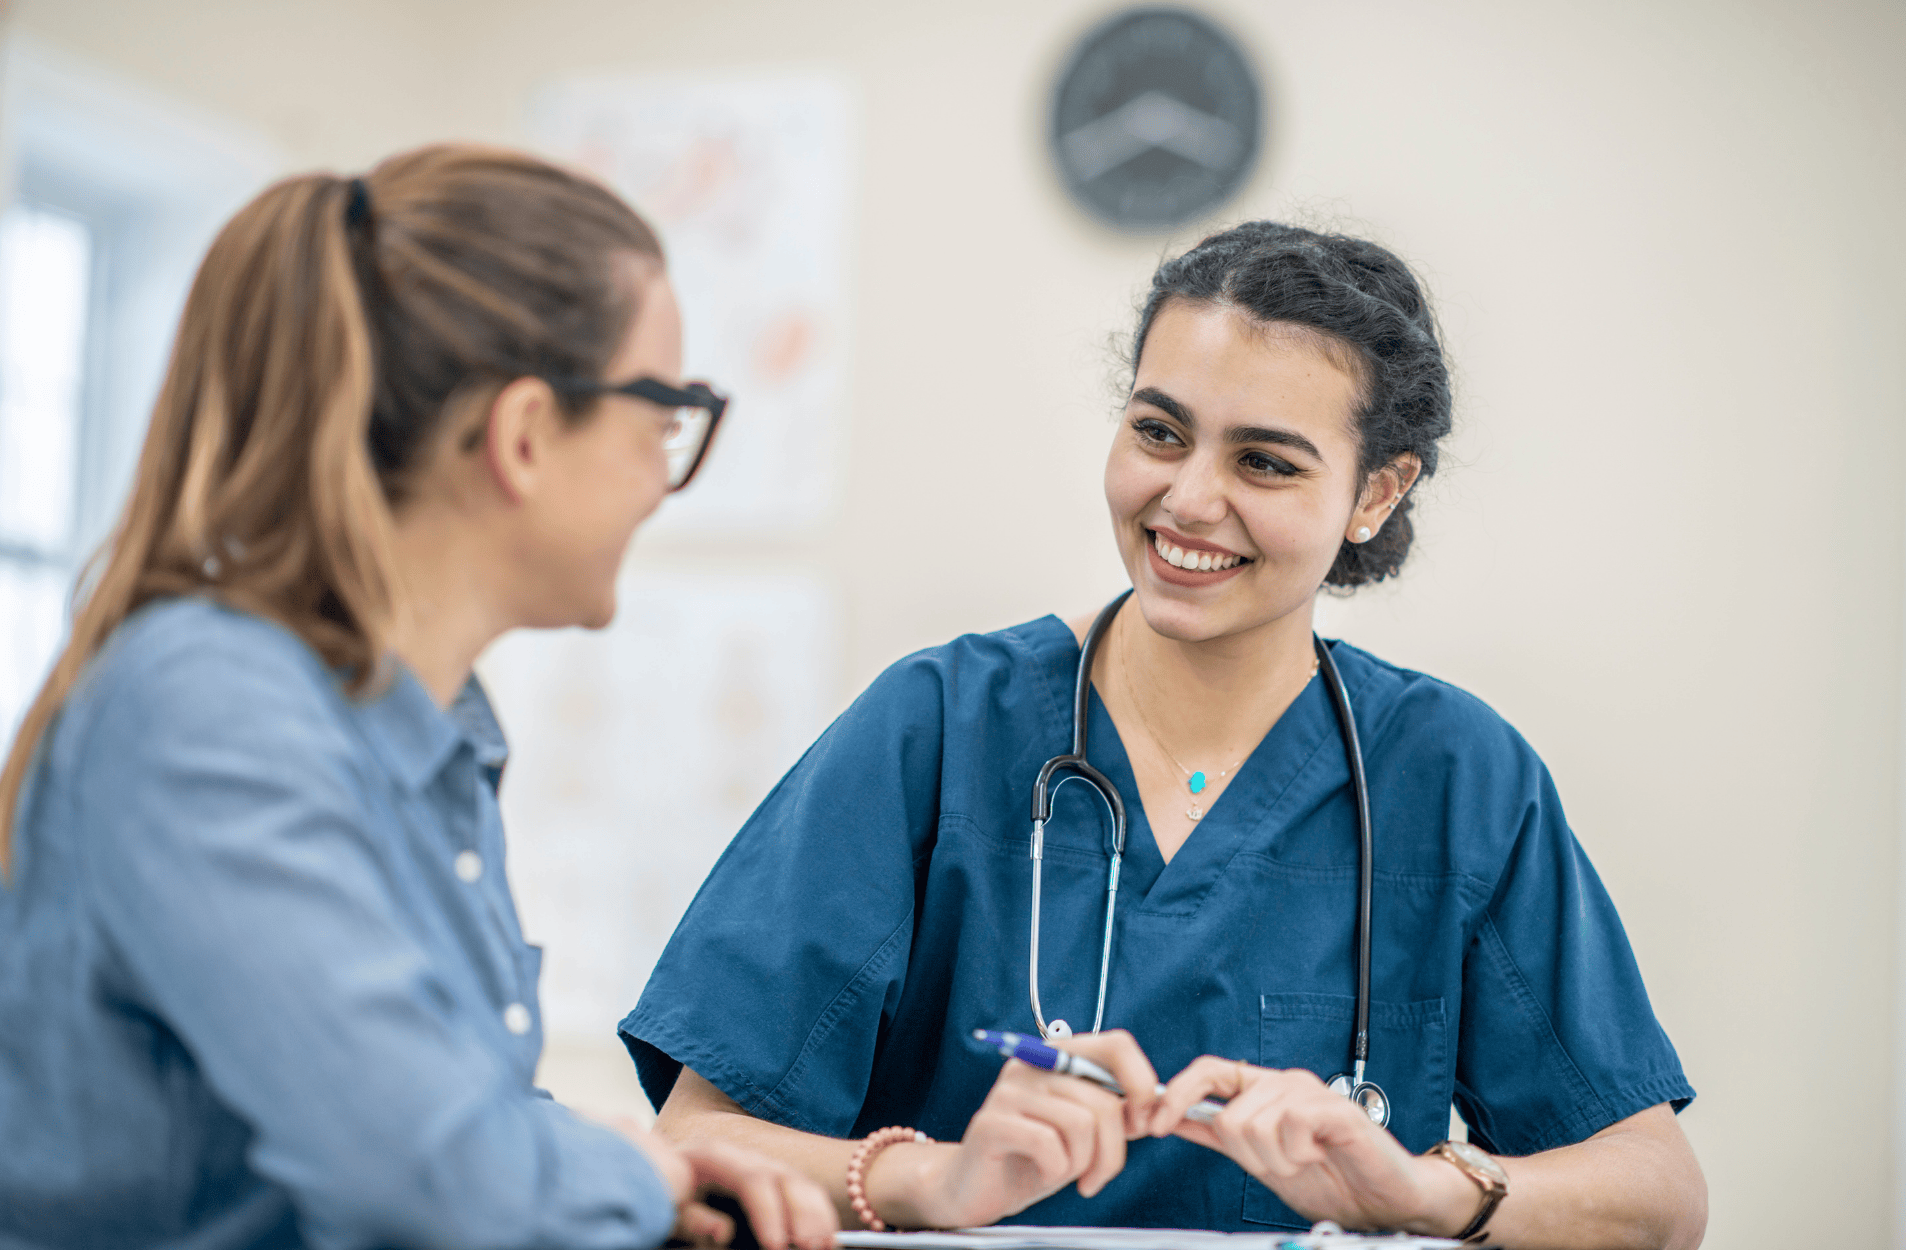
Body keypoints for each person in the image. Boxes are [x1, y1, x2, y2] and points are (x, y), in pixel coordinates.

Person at [625, 223, 1709, 1248]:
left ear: (1375, 492)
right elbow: (697, 1137)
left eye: (1266, 462)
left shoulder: (1454, 774)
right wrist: (935, 1180)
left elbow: (1659, 1193)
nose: (1189, 498)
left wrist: (1427, 1188)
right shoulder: (940, 727)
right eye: (1159, 431)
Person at [0, 145, 837, 1250]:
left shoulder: (432, 736)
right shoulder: (209, 708)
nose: (660, 476)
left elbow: (430, 1107)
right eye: (665, 415)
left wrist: (651, 1162)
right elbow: (426, 1177)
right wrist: (630, 1168)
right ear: (526, 433)